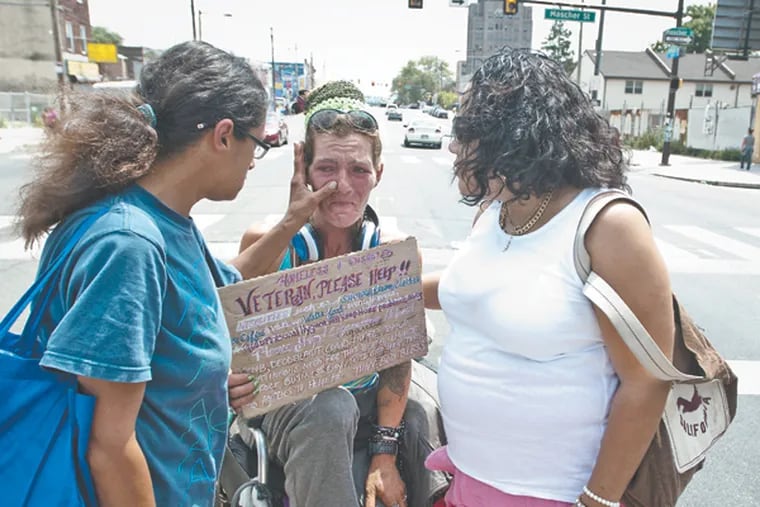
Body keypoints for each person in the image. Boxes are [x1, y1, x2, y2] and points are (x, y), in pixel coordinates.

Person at [16, 41, 338, 507]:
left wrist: (292, 221)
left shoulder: (165, 222)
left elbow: (214, 289)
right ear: (223, 136)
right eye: (257, 145)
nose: (254, 161)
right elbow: (108, 445)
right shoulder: (129, 244)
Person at [422, 48, 675, 507]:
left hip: (555, 495)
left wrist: (597, 501)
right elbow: (477, 292)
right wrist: (373, 288)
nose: (453, 146)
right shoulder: (495, 211)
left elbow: (647, 381)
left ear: (512, 133)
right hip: (467, 481)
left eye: (464, 130)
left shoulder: (608, 225)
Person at [227, 80, 448, 507]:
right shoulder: (269, 242)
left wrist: (384, 455)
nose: (342, 186)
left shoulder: (390, 252)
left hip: (367, 406)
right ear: (304, 169)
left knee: (428, 415)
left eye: (358, 170)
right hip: (287, 409)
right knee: (330, 407)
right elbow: (223, 325)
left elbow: (396, 358)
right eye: (327, 168)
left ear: (378, 173)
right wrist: (231, 377)